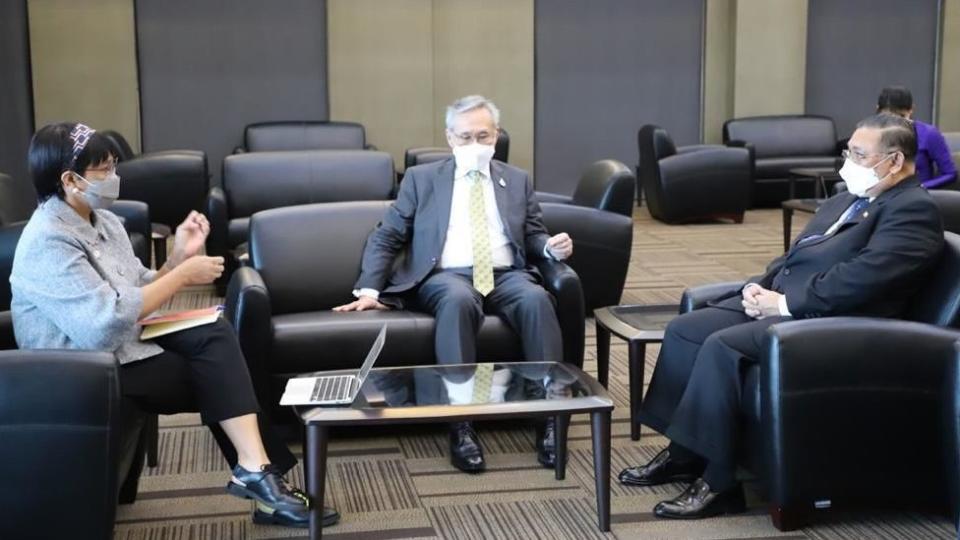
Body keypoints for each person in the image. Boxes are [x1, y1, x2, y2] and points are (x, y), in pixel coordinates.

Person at [10, 123, 339, 529]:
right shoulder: (47, 240)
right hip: (75, 367)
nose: (114, 176)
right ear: (70, 180)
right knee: (218, 374)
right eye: (103, 168)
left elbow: (136, 288)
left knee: (217, 336)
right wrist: (182, 277)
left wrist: (176, 259)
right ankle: (263, 481)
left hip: (120, 346)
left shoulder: (104, 221)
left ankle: (259, 472)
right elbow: (101, 325)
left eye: (114, 164)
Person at [617, 113, 944, 519]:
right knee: (686, 329)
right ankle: (684, 452)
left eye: (859, 155)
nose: (849, 163)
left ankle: (719, 483)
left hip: (836, 324)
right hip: (787, 300)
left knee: (722, 347)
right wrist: (759, 286)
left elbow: (858, 282)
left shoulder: (912, 212)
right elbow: (799, 253)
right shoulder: (848, 198)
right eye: (848, 152)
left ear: (894, 161)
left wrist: (783, 305)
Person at [334, 95, 574, 473]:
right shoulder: (422, 179)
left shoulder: (516, 180)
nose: (474, 144)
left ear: (496, 136)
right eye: (465, 137)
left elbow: (532, 234)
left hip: (506, 274)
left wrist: (549, 246)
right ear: (450, 138)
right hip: (446, 276)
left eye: (483, 135)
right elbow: (388, 236)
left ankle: (550, 418)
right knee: (458, 300)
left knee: (537, 300)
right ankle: (462, 422)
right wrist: (369, 290)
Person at [877, 86, 957, 189]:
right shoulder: (869, 135)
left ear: (911, 110)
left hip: (917, 193)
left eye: (901, 116)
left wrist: (922, 187)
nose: (895, 123)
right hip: (881, 193)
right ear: (878, 110)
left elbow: (950, 173)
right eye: (888, 117)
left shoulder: (928, 134)